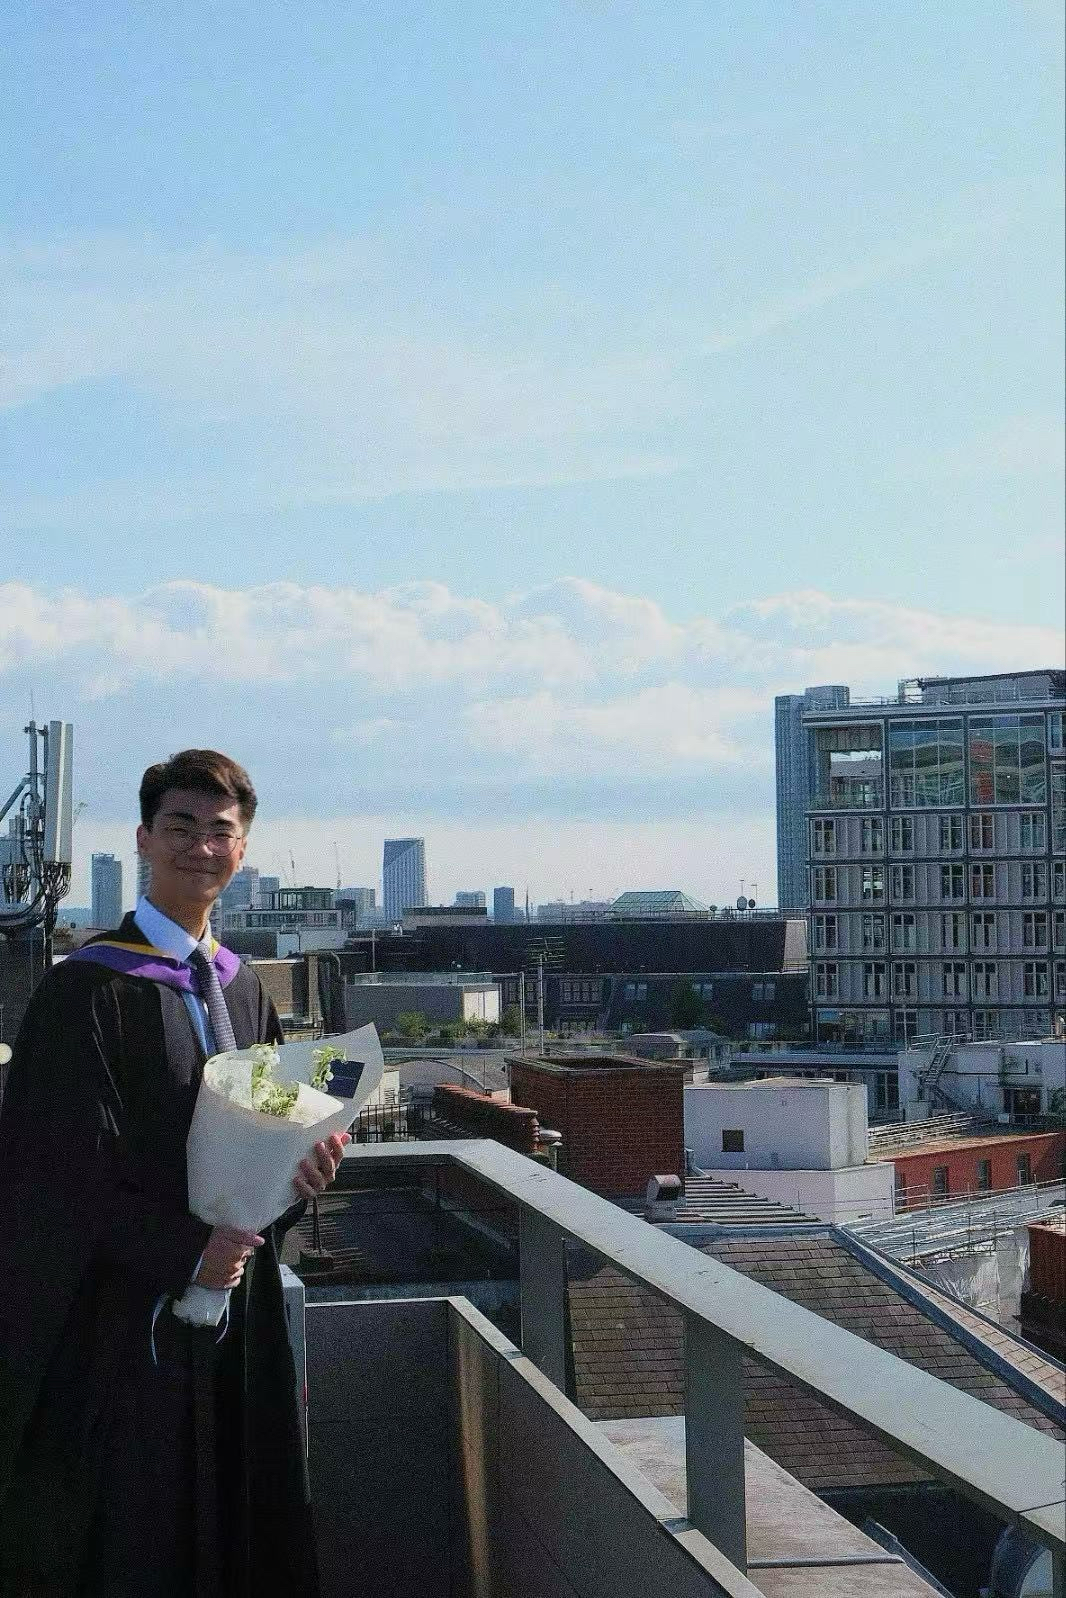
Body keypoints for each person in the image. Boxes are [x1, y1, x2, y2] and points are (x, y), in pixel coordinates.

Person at [0, 749, 347, 1597]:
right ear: (145, 841)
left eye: (220, 832)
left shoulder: (245, 989)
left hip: (234, 1317)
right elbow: (52, 1176)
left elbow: (261, 1134)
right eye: (181, 827)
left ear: (242, 849)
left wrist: (300, 1177)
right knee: (137, 1538)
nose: (201, 846)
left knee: (235, 1523)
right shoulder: (84, 991)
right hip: (122, 1328)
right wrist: (182, 1252)